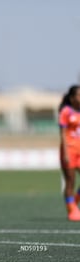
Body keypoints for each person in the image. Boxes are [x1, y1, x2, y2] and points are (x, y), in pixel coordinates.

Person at [58, 84, 80, 221]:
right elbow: (63, 134)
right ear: (72, 98)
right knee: (70, 181)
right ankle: (71, 211)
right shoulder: (66, 111)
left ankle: (74, 203)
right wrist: (65, 153)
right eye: (78, 95)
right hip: (69, 151)